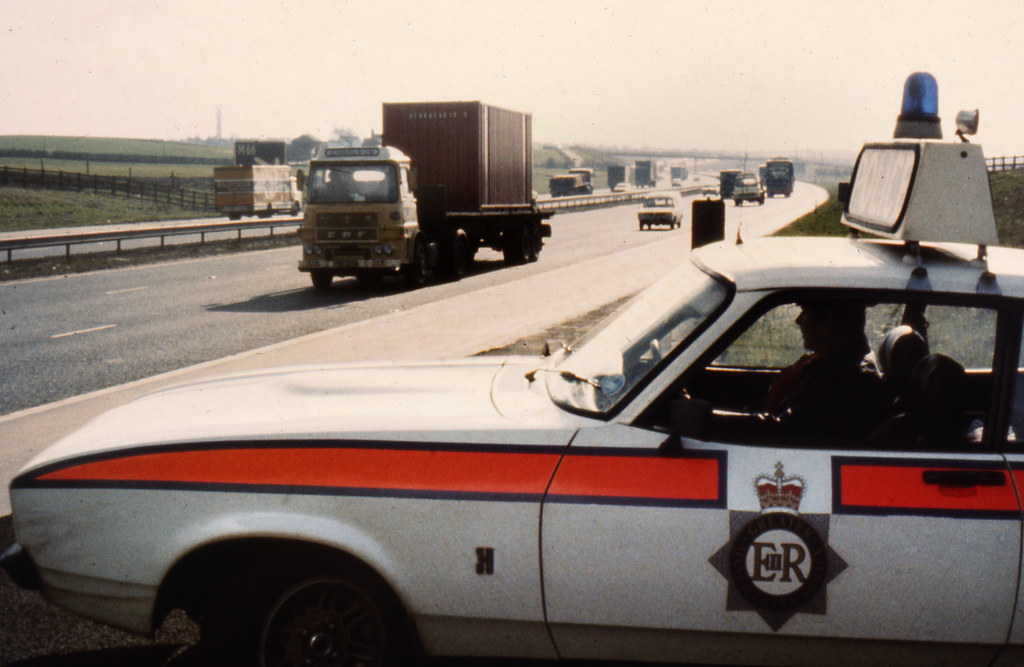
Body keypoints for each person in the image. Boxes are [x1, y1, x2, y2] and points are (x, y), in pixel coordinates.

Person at [759, 301, 889, 438]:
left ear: (827, 322)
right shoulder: (830, 366)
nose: (798, 321)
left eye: (806, 313)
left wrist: (736, 423)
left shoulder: (839, 382)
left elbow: (784, 429)